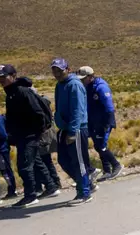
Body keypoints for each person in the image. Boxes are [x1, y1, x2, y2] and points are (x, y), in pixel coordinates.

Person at [0, 64, 58, 208]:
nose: (1, 79)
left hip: (29, 135)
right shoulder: (10, 93)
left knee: (24, 166)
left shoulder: (21, 91)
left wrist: (37, 133)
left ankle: (30, 195)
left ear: (13, 76)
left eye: (4, 76)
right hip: (22, 135)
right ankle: (51, 186)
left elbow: (38, 113)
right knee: (36, 161)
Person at [52, 58, 93, 205]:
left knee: (78, 161)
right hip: (64, 128)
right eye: (55, 71)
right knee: (63, 160)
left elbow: (78, 110)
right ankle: (86, 184)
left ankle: (85, 192)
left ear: (67, 69)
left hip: (76, 128)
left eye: (60, 70)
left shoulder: (74, 85)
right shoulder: (59, 85)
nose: (57, 73)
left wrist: (72, 131)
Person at [77, 66, 123, 181]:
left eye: (84, 78)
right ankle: (107, 171)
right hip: (93, 121)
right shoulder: (88, 87)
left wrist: (107, 124)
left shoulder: (101, 87)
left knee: (101, 146)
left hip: (103, 122)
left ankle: (117, 165)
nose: (82, 80)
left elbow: (109, 107)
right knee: (98, 146)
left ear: (91, 76)